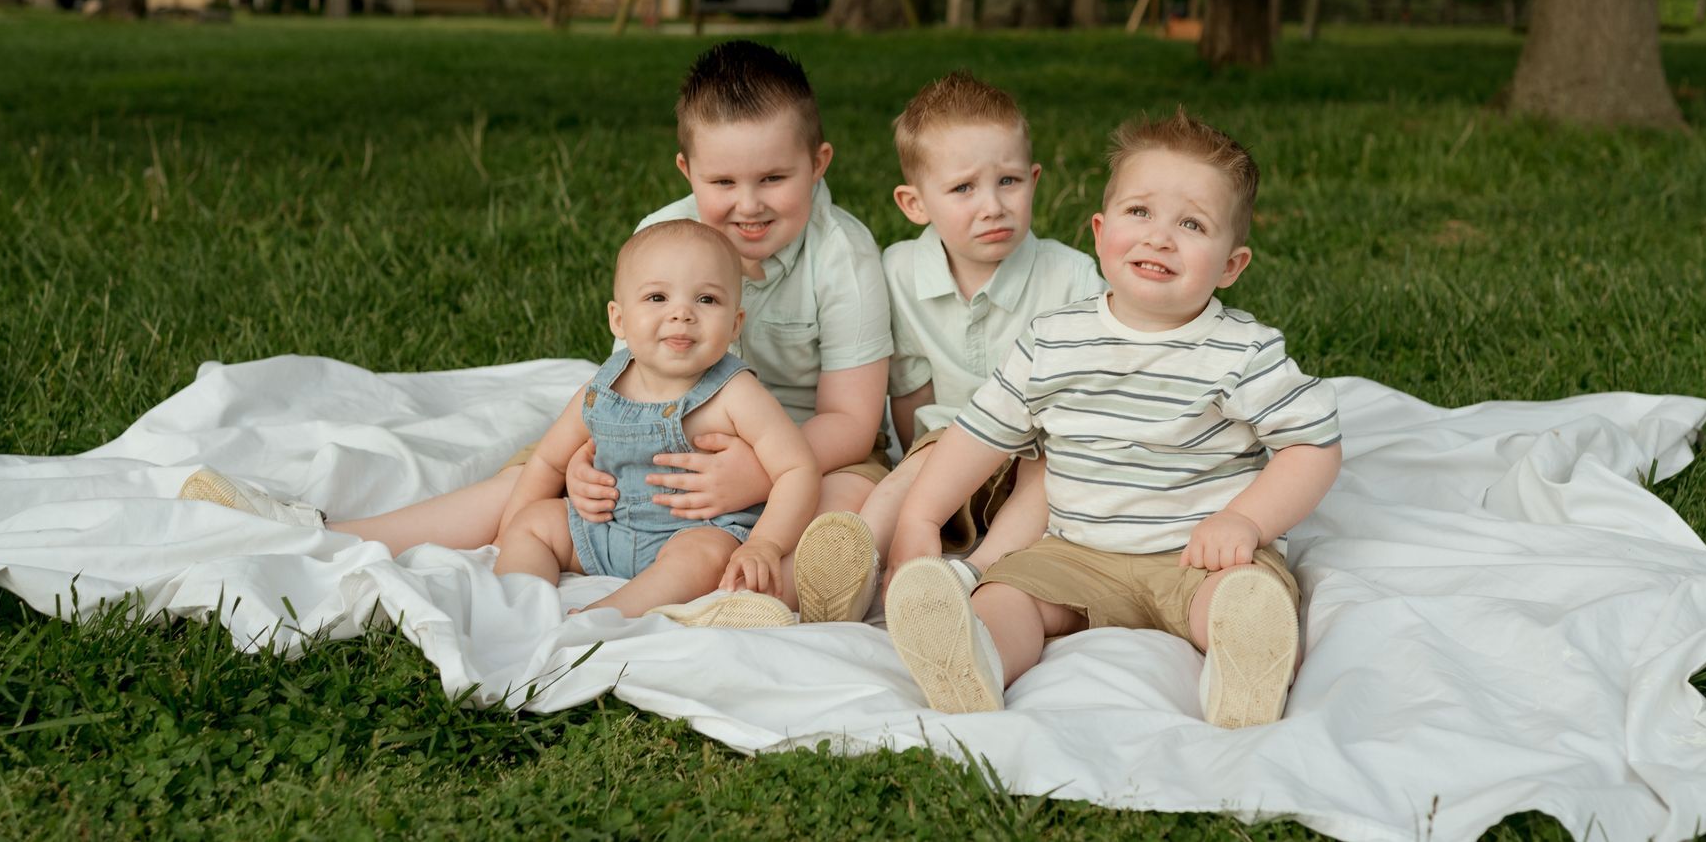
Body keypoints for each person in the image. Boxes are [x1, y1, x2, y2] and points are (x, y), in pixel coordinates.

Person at [180, 41, 893, 619]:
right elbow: (630, 379)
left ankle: (762, 595)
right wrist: (588, 461)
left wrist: (755, 469)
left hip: (807, 447)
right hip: (667, 443)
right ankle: (334, 534)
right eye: (724, 182)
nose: (748, 206)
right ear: (688, 170)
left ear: (818, 164)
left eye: (774, 178)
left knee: (853, 501)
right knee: (531, 480)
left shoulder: (844, 256)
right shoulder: (662, 240)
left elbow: (853, 422)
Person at [883, 109, 1341, 728]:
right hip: (1077, 552)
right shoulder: (1055, 338)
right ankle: (973, 660)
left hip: (1197, 555)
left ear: (1231, 266)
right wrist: (920, 515)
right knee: (1007, 595)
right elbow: (979, 433)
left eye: (1192, 224)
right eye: (1140, 213)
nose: (1159, 237)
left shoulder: (1242, 351)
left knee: (1245, 595)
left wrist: (1245, 520)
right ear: (1100, 233)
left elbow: (1313, 446)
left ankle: (1247, 667)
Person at [791, 71, 1102, 623]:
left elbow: (1086, 402)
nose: (993, 206)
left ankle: (969, 579)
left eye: (1009, 181)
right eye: (963, 189)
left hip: (1036, 455)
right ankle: (850, 569)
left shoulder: (1073, 278)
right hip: (943, 450)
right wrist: (945, 470)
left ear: (1033, 179)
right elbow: (911, 399)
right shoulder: (899, 274)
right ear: (915, 203)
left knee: (1045, 473)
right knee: (906, 478)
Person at [492, 219, 818, 625]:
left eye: (707, 300)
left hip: (689, 535)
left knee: (705, 557)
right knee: (535, 523)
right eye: (657, 297)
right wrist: (509, 531)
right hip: (603, 531)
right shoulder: (601, 388)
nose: (682, 314)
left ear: (735, 324)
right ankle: (514, 605)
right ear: (619, 319)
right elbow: (549, 462)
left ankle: (602, 618)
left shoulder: (736, 394)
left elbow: (797, 468)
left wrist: (766, 544)